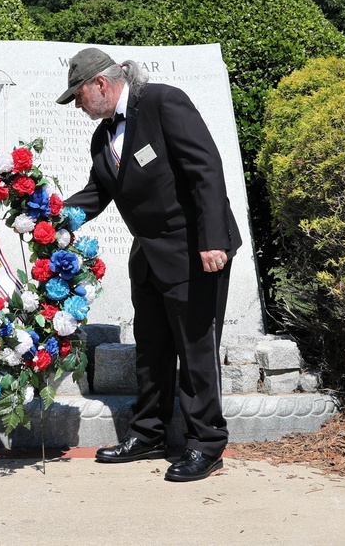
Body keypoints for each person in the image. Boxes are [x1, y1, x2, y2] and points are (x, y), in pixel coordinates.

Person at [56, 47, 242, 482]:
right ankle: (149, 434)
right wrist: (50, 218)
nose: (78, 107)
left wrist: (212, 239)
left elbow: (205, 170)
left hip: (195, 251)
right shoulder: (103, 137)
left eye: (79, 97)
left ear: (100, 83)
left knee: (196, 351)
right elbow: (97, 194)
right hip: (149, 258)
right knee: (152, 350)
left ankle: (206, 444)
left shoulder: (161, 102)